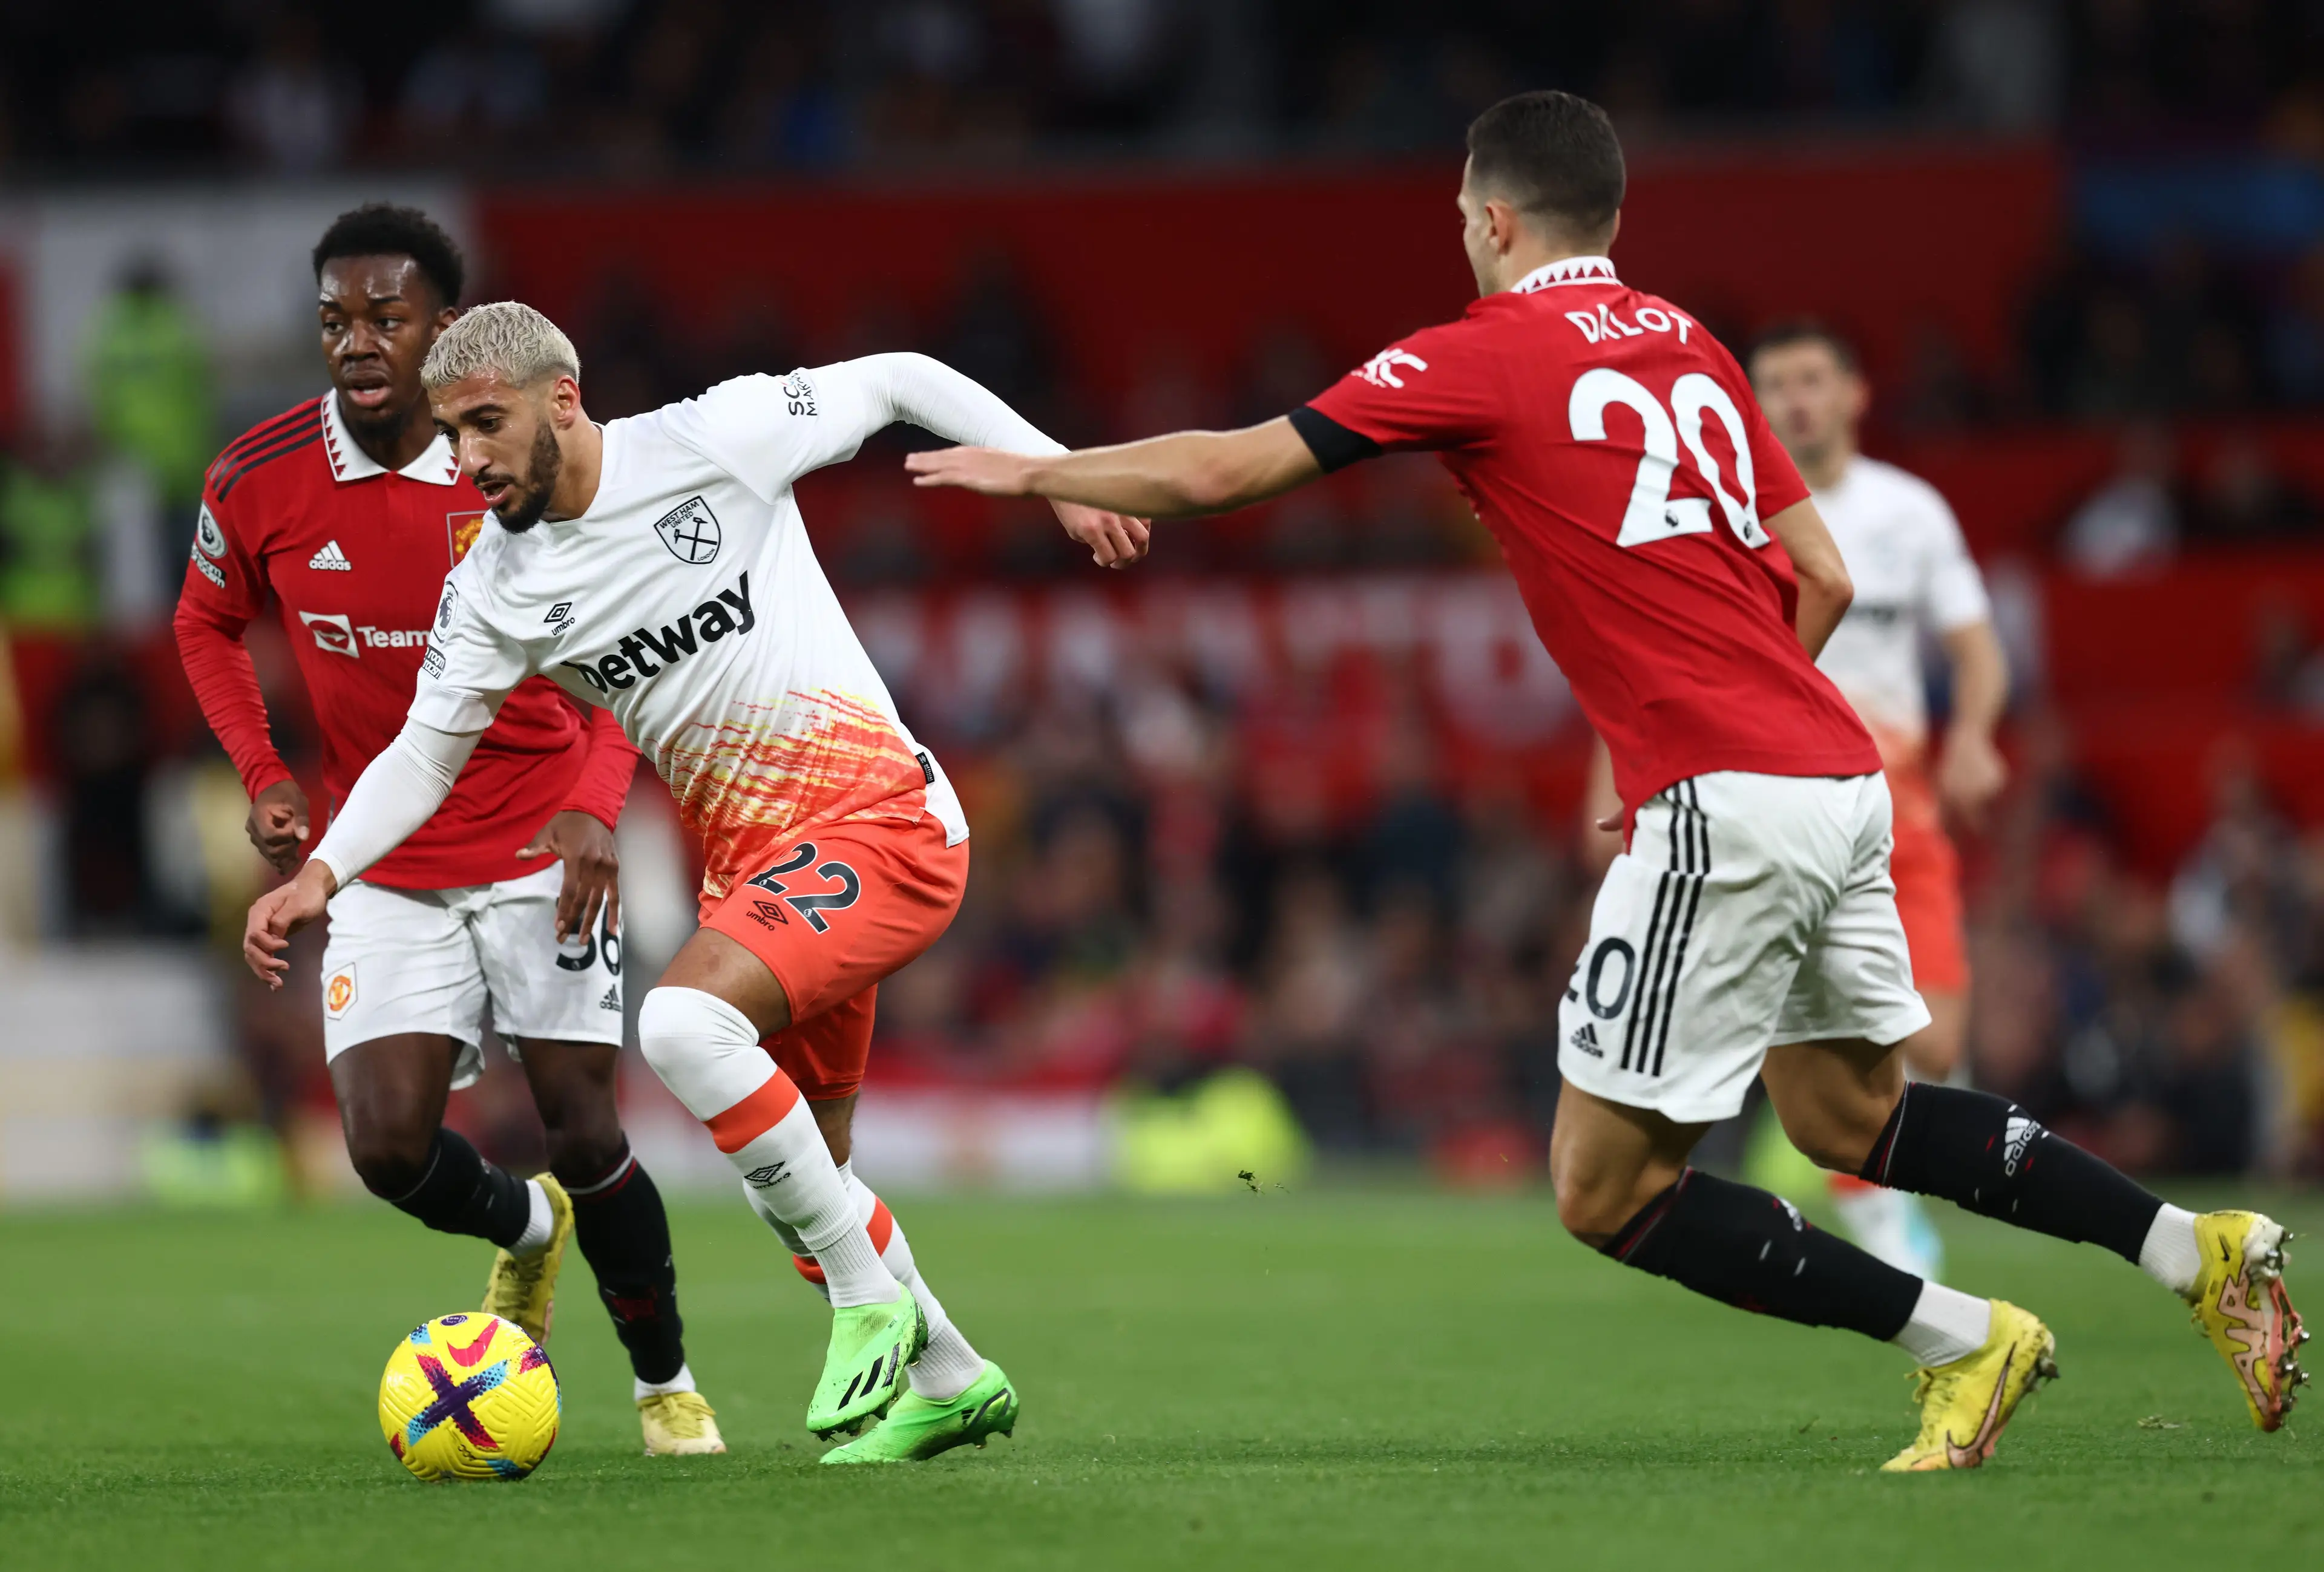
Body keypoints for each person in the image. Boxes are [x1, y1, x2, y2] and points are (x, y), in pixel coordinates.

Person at [903, 90, 2307, 1469]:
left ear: (1496, 220)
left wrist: (1036, 474)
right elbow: (1822, 574)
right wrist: (1742, 711)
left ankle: (1962, 1340)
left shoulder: (1482, 353)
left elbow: (1228, 470)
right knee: (1851, 1116)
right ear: (1612, 219)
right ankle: (2196, 1249)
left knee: (1604, 1189)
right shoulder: (1693, 346)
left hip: (1733, 802)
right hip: (1839, 777)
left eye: (1464, 214)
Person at [240, 302, 1142, 1461]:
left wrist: (1059, 475)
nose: (466, 460)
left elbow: (899, 375)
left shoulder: (714, 439)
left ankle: (870, 1302)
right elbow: (423, 756)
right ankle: (952, 1375)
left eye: (486, 424)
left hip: (882, 820)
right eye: (451, 434)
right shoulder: (496, 588)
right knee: (802, 1178)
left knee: (678, 1022)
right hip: (765, 875)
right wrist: (323, 872)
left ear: (563, 399)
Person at [179, 206, 723, 1457]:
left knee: (586, 1128)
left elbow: (633, 642)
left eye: (388, 316)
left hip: (543, 844)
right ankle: (528, 1232)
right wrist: (263, 769)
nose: (358, 341)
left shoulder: (520, 462)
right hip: (384, 854)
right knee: (383, 1147)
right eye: (336, 319)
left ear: (446, 327)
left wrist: (596, 804)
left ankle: (666, 1384)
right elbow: (203, 622)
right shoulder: (256, 476)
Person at [1745, 319, 2010, 1282]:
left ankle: (1878, 1180)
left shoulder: (1910, 511)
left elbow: (1978, 651)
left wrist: (1973, 735)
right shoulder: (1731, 512)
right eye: (1776, 384)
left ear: (1855, 393)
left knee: (1937, 1044)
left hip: (1901, 809)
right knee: (1834, 1036)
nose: (1796, 400)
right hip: (1784, 808)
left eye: (1812, 379)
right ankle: (1888, 1229)